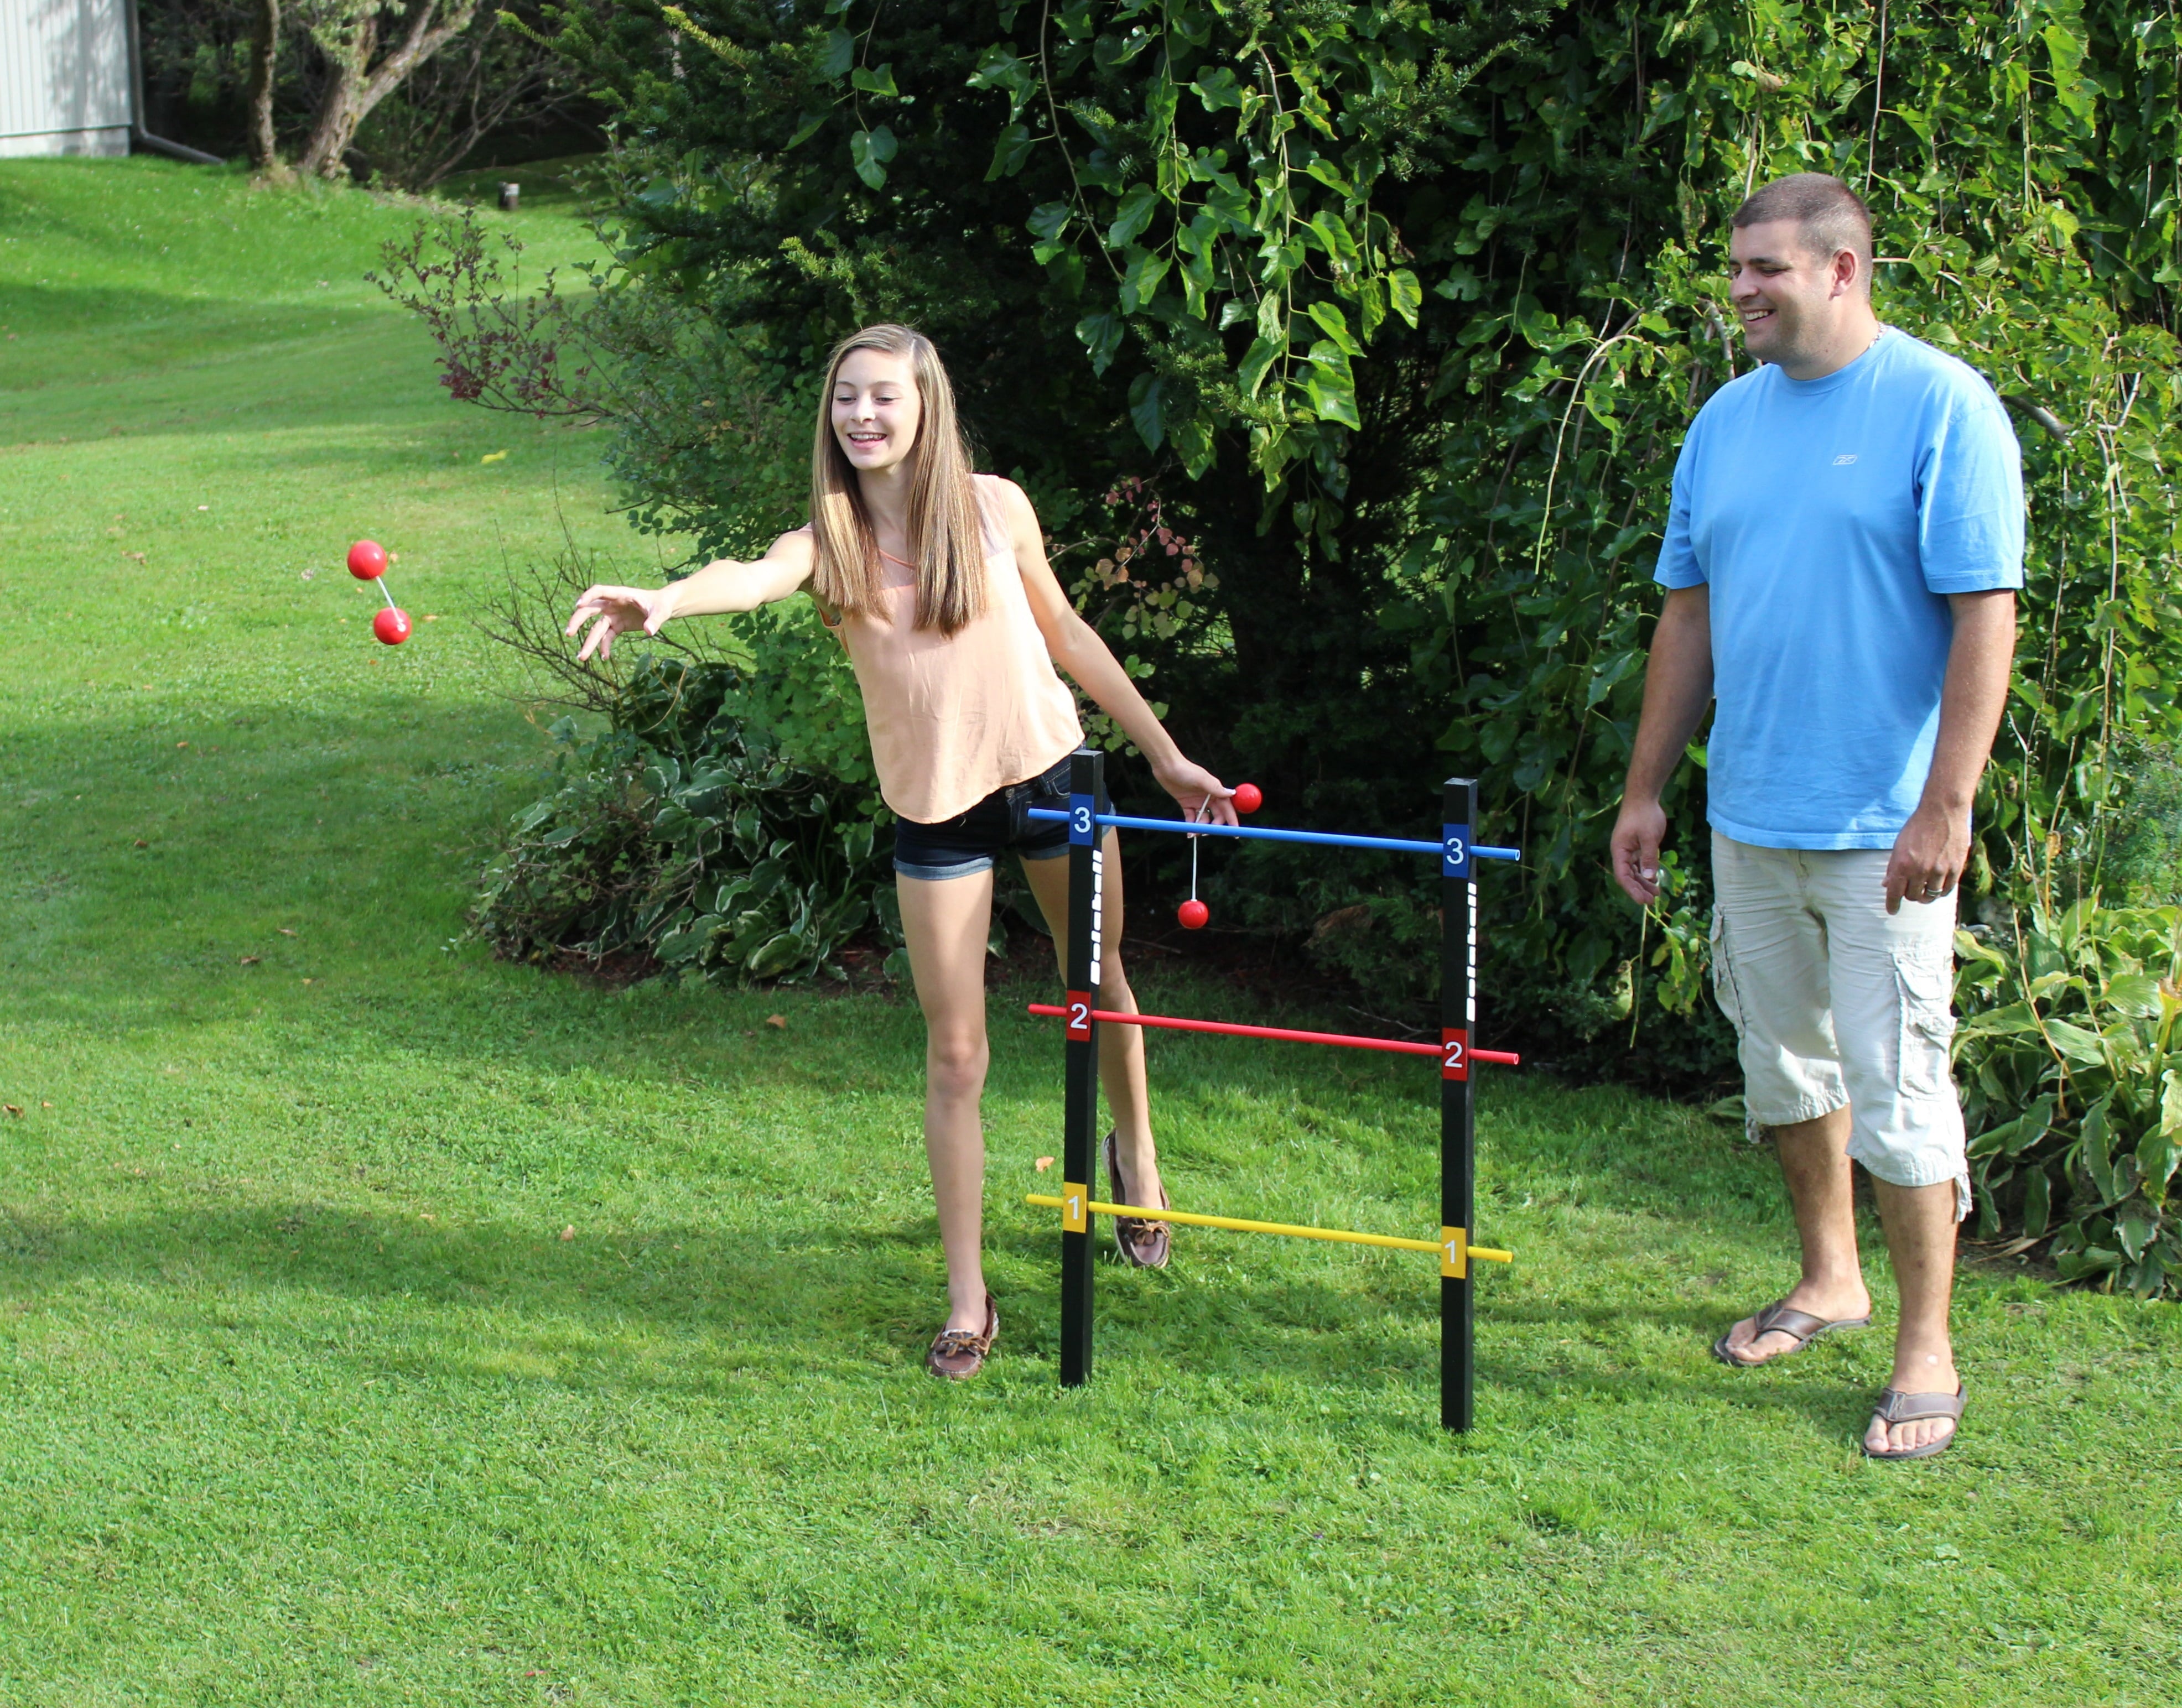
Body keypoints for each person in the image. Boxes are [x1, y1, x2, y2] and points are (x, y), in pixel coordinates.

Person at [565, 324, 1236, 1381]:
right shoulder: (826, 542)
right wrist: (667, 600)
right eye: (846, 398)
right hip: (936, 812)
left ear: (927, 405)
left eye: (883, 396)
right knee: (956, 1053)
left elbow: (1067, 635)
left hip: (1053, 780)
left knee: (1100, 983)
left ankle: (1136, 1157)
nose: (862, 416)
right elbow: (751, 576)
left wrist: (1165, 756)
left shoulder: (994, 507)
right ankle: (969, 1298)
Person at [1609, 174, 2022, 1460]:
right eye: (1735, 267)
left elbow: (1984, 613)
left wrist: (1945, 804)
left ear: (1841, 269)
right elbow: (1689, 611)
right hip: (1751, 812)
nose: (1740, 289)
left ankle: (1925, 1348)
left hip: (1884, 827)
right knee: (1784, 1066)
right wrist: (1645, 786)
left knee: (1898, 1085)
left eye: (1765, 269)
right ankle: (1830, 1276)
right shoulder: (1724, 423)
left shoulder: (1940, 406)